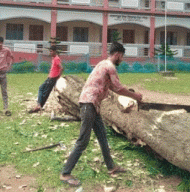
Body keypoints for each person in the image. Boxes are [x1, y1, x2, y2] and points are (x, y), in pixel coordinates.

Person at [60, 42, 143, 187]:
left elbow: (110, 86)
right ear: (117, 54)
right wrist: (135, 96)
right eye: (121, 57)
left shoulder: (102, 64)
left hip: (93, 105)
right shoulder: (110, 66)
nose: (121, 60)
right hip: (88, 104)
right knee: (83, 141)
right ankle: (65, 173)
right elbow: (118, 88)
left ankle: (111, 167)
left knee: (103, 137)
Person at [29, 45, 63, 113]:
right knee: (44, 91)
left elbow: (61, 68)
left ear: (55, 51)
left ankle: (39, 105)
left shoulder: (56, 58)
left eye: (51, 51)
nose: (50, 52)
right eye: (50, 51)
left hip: (52, 79)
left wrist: (58, 77)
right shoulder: (54, 58)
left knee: (43, 90)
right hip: (50, 78)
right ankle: (40, 106)